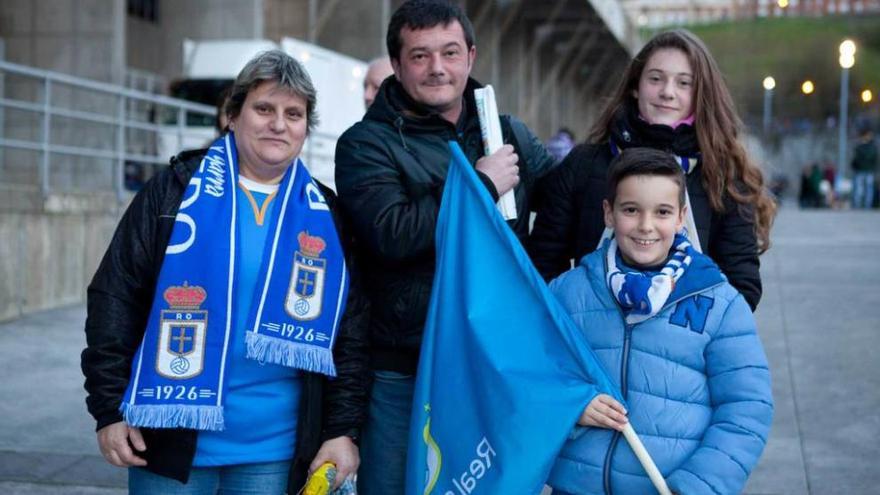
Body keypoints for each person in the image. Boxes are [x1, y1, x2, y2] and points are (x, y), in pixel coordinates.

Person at [81, 50, 368, 494]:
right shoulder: (173, 194)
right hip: (169, 440)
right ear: (232, 116)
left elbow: (348, 334)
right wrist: (108, 409)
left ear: (305, 129)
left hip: (273, 451)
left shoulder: (327, 214)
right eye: (264, 108)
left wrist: (341, 429)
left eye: (294, 114)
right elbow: (114, 297)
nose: (278, 124)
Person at [333, 1, 557, 493]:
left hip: (493, 367)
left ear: (471, 56)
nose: (438, 68)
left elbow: (567, 201)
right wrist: (478, 186)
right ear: (396, 64)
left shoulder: (506, 132)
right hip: (404, 373)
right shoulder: (364, 144)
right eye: (420, 56)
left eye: (450, 52)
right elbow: (393, 235)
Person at [546, 147, 773, 495]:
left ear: (682, 217)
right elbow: (531, 375)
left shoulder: (721, 304)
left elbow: (746, 409)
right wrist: (570, 404)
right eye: (631, 210)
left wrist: (697, 487)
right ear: (609, 213)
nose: (646, 226)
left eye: (662, 212)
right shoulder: (566, 292)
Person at [528, 29, 776, 311]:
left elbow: (741, 289)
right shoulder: (584, 165)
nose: (667, 92)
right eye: (655, 78)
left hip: (684, 350)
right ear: (636, 86)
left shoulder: (724, 178)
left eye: (684, 83)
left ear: (701, 95)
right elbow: (543, 264)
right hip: (586, 346)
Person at [851, 126, 878, 209]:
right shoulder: (860, 146)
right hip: (860, 170)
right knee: (859, 189)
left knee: (867, 189)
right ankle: (857, 206)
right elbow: (855, 159)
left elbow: (874, 159)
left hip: (867, 170)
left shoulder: (871, 147)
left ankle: (866, 206)